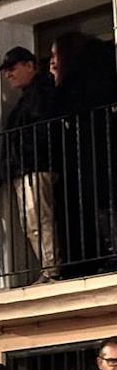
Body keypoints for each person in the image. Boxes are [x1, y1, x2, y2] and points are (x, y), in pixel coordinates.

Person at [0, 46, 63, 283]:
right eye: (6, 71)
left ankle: (51, 269)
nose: (8, 75)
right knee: (32, 222)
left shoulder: (42, 92)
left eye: (12, 69)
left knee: (38, 220)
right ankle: (48, 268)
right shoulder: (31, 95)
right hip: (26, 167)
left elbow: (41, 130)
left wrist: (24, 155)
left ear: (30, 65)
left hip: (34, 165)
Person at [51, 32, 117, 267]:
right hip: (96, 152)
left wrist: (58, 81)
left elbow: (64, 107)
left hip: (93, 153)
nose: (52, 62)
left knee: (101, 202)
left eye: (54, 55)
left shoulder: (77, 84)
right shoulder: (101, 72)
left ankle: (110, 254)